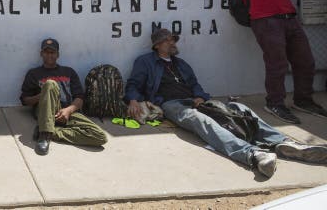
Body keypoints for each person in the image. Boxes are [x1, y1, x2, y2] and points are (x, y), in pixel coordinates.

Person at [125, 28, 327, 178]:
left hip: (194, 100)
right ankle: (253, 155)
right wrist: (133, 100)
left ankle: (282, 142)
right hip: (171, 104)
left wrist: (201, 97)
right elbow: (134, 83)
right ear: (157, 45)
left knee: (239, 109)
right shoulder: (145, 62)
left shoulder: (182, 64)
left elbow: (195, 85)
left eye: (173, 39)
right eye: (168, 40)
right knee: (200, 121)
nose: (173, 42)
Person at [215, 0, 327, 124]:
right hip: (266, 22)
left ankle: (303, 100)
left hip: (290, 19)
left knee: (305, 61)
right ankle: (275, 102)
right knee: (277, 64)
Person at [20, 38, 107, 155]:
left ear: (58, 54)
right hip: (45, 112)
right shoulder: (34, 73)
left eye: (52, 52)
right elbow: (25, 100)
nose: (49, 55)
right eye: (46, 52)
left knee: (100, 136)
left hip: (67, 111)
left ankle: (53, 132)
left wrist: (68, 110)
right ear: (41, 54)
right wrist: (42, 96)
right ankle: (45, 135)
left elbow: (80, 98)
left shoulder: (69, 72)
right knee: (50, 84)